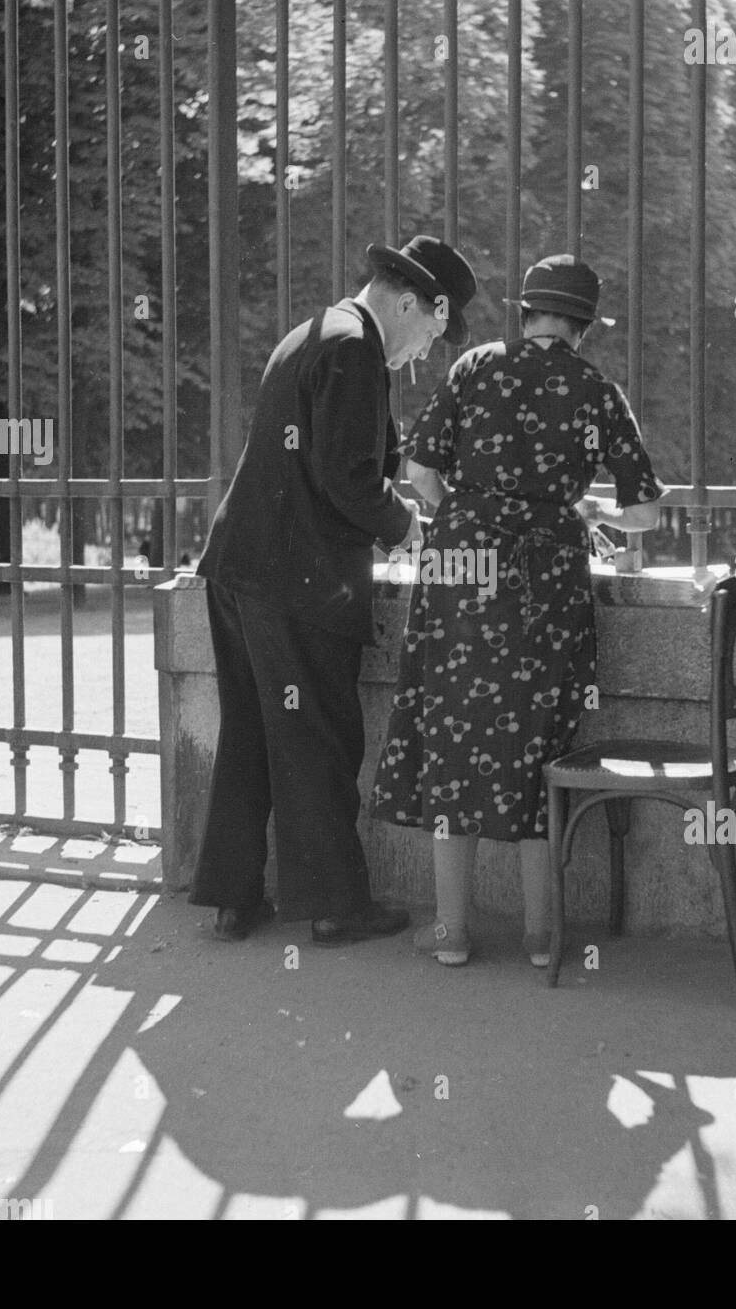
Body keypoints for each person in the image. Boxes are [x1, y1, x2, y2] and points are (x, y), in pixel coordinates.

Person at [370, 254, 665, 967]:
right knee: (542, 746)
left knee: (451, 739)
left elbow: (419, 474)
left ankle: (451, 934)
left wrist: (467, 516)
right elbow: (648, 513)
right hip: (549, 582)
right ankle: (541, 937)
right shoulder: (596, 389)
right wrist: (583, 507)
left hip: (460, 576)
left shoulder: (474, 367)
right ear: (584, 326)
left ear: (524, 310)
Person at [191, 234, 478, 946]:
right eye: (433, 333)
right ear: (410, 302)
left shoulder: (313, 331)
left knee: (251, 735)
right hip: (298, 579)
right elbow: (346, 479)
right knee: (320, 739)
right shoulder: (355, 351)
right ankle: (334, 907)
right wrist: (406, 526)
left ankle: (234, 899)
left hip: (239, 567)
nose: (424, 354)